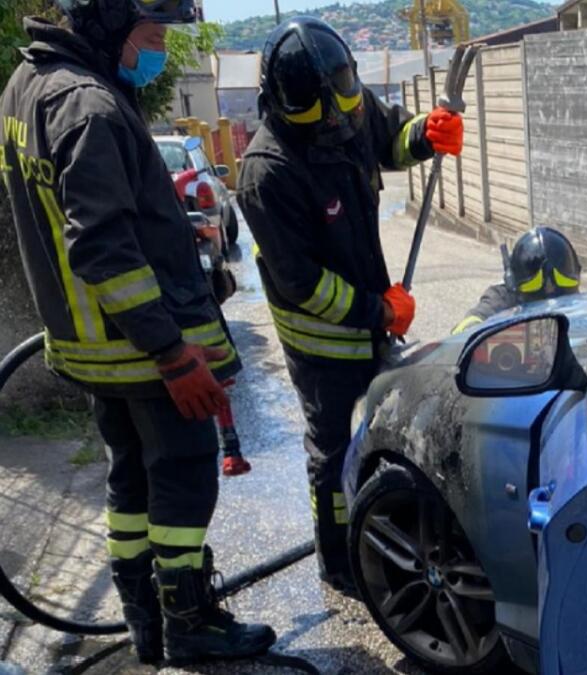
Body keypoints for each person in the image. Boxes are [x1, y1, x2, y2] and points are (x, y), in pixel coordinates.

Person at [0, 0, 275, 665]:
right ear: (106, 24)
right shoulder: (89, 107)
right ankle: (188, 622)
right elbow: (102, 248)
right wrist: (174, 355)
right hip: (140, 354)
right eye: (149, 36)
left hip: (87, 349)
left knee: (131, 485)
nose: (154, 50)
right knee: (182, 480)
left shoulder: (24, 88)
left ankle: (143, 619)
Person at [237, 17, 462, 595]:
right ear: (282, 105)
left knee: (387, 427)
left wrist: (426, 134)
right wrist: (376, 311)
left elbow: (389, 136)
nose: (338, 122)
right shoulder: (268, 172)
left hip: (369, 320)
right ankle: (340, 563)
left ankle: (384, 530)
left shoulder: (347, 110)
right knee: (333, 451)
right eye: (322, 114)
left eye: (345, 103)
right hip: (320, 342)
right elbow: (300, 284)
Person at [452, 227, 582, 335]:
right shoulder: (502, 298)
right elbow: (471, 322)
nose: (549, 288)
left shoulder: (585, 305)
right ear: (513, 285)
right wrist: (472, 330)